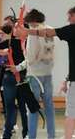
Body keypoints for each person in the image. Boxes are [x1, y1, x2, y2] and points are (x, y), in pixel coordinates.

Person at [15, 2, 75, 139]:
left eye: (70, 17)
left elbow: (48, 33)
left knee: (71, 116)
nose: (68, 20)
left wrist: (27, 32)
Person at [10, 9, 56, 139]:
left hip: (35, 76)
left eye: (28, 24)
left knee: (32, 107)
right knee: (49, 108)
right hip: (48, 73)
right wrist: (19, 67)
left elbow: (30, 57)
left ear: (33, 22)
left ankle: (32, 136)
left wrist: (20, 65)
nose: (27, 27)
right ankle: (51, 136)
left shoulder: (33, 34)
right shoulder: (50, 30)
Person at [0, 22, 28, 139]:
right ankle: (15, 135)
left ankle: (17, 135)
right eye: (14, 27)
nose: (15, 29)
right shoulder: (15, 42)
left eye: (17, 27)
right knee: (15, 107)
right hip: (16, 77)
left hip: (19, 77)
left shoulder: (19, 42)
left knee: (17, 107)